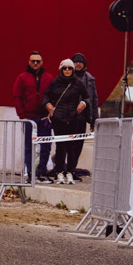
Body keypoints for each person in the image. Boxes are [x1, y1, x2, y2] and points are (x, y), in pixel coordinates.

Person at [44, 59, 89, 184]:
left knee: (72, 147)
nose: (67, 70)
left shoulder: (78, 83)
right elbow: (46, 96)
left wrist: (83, 104)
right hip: (59, 118)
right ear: (61, 69)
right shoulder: (55, 83)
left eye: (70, 68)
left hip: (73, 117)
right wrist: (48, 106)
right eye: (65, 68)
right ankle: (59, 171)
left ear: (73, 70)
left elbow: (87, 97)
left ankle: (70, 171)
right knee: (60, 146)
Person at [13, 51, 54, 183]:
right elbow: (17, 96)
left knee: (45, 146)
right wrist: (22, 115)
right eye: (33, 61)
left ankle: (42, 172)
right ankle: (30, 173)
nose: (35, 63)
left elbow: (54, 96)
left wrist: (50, 113)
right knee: (29, 146)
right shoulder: (22, 77)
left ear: (42, 63)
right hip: (29, 118)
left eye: (38, 61)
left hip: (44, 118)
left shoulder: (49, 78)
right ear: (29, 62)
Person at [69, 52, 98, 181]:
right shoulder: (67, 77)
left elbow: (94, 99)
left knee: (78, 145)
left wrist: (94, 119)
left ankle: (72, 169)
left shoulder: (90, 79)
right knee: (68, 145)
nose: (79, 64)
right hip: (69, 118)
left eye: (81, 62)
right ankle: (65, 169)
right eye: (76, 62)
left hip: (82, 118)